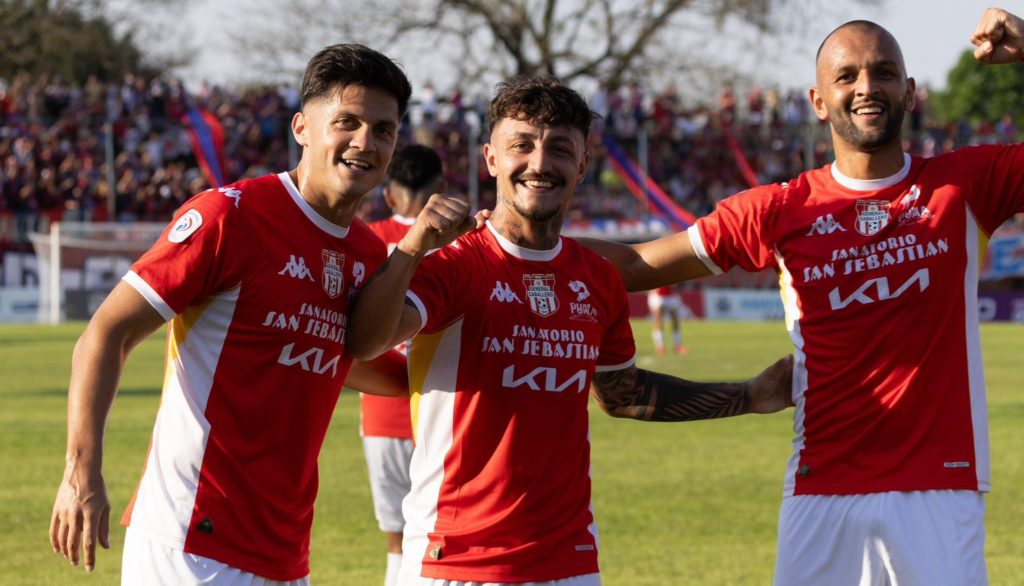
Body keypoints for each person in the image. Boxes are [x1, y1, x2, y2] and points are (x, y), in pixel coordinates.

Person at [581, 8, 1024, 585]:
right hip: (819, 486)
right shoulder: (779, 210)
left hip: (938, 484)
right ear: (818, 100)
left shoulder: (964, 185)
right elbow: (636, 263)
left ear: (910, 92)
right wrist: (510, 242)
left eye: (885, 72)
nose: (867, 87)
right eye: (848, 76)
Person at [346, 75, 794, 586]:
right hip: (457, 561)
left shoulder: (597, 278)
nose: (539, 164)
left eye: (559, 148)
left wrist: (748, 396)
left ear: (582, 165)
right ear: (491, 158)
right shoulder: (454, 264)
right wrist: (412, 246)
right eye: (521, 146)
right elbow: (366, 339)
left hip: (570, 562)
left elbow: (623, 395)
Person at [49, 44, 413, 584]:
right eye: (347, 122)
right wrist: (81, 471)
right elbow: (109, 331)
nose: (365, 141)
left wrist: (461, 373)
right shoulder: (230, 217)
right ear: (302, 128)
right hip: (191, 542)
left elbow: (338, 359)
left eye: (383, 130)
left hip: (285, 551)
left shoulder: (364, 253)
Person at [362, 144, 444, 586]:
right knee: (438, 536)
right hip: (444, 411)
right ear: (441, 189)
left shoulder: (366, 240)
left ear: (390, 196)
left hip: (382, 415)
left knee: (397, 540)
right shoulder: (461, 242)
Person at [646, 285, 689, 355]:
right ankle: (660, 346)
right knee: (659, 321)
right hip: (658, 295)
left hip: (671, 295)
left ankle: (677, 346)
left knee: (675, 321)